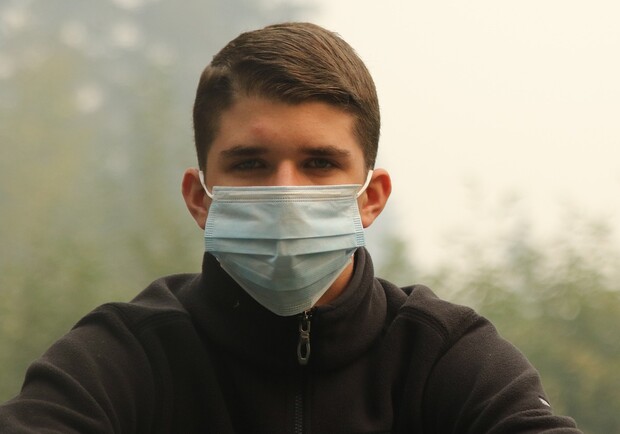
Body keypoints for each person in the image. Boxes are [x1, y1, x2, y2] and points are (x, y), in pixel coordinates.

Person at [0, 22, 581, 433]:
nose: (286, 192)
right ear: (200, 198)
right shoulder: (123, 356)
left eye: (320, 163)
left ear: (370, 197)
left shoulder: (442, 357)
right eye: (251, 163)